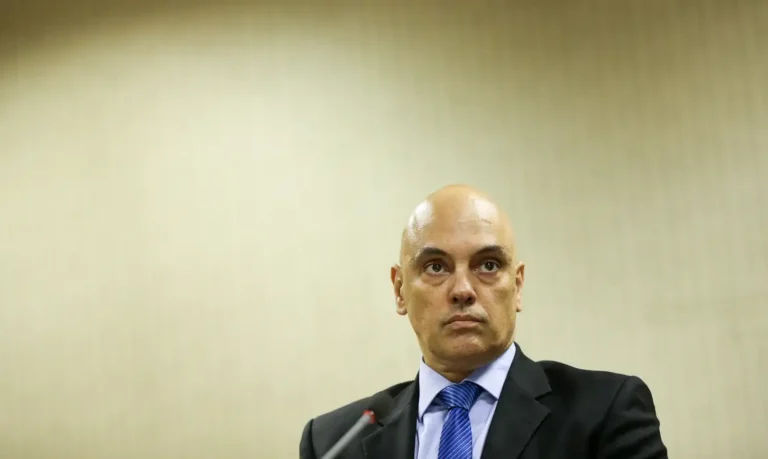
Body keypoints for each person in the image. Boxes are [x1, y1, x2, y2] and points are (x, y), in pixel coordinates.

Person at [299, 185, 668, 459]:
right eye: (436, 267)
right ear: (399, 290)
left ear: (517, 286)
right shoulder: (333, 441)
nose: (463, 290)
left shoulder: (604, 412)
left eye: (488, 265)